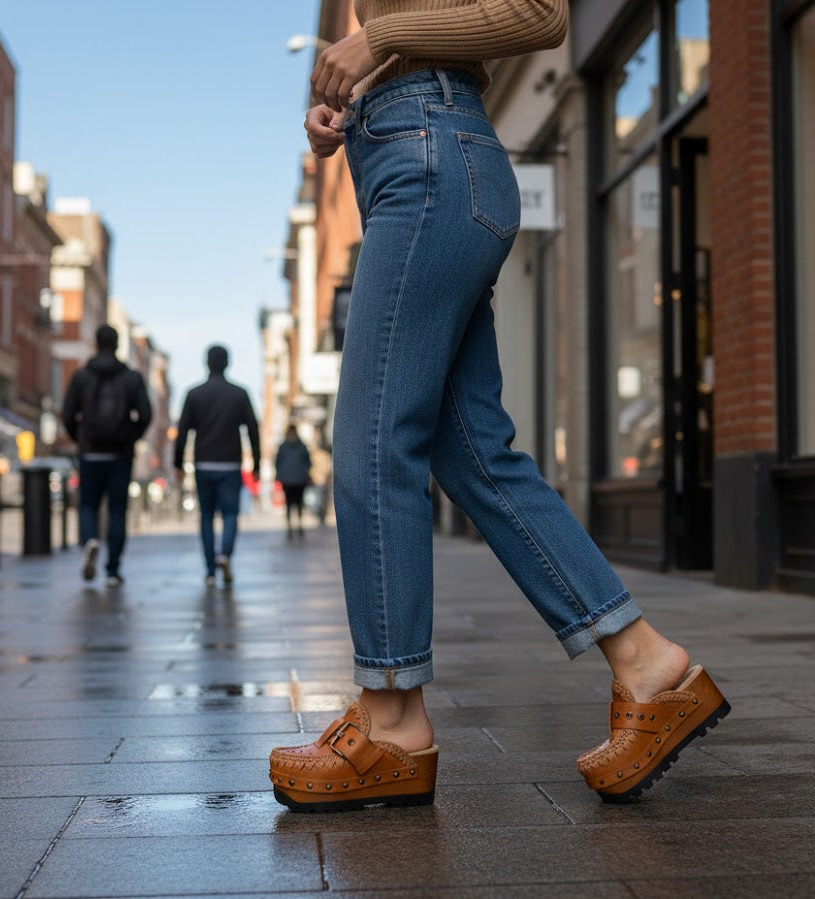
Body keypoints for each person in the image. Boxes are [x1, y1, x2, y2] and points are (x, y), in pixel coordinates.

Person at [269, 0, 729, 812]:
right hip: (408, 152)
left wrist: (376, 41)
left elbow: (539, 13)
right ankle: (646, 662)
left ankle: (390, 715)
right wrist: (350, 99)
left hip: (430, 154)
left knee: (376, 442)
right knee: (472, 450)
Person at [62, 324, 152, 587]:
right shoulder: (132, 377)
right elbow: (146, 415)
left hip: (91, 453)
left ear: (96, 343)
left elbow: (68, 414)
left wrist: (81, 438)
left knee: (88, 505)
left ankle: (90, 540)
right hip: (120, 455)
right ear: (117, 344)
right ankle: (113, 570)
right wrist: (130, 436)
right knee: (117, 511)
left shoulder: (81, 376)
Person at [174, 345, 260, 587]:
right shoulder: (240, 394)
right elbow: (253, 429)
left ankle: (210, 570)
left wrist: (178, 463)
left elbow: (182, 432)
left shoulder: (194, 394)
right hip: (231, 464)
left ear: (207, 363)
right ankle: (226, 555)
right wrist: (257, 463)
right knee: (231, 514)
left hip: (203, 463)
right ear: (227, 363)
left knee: (206, 517)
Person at [275, 424, 312, 538]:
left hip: (287, 480)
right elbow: (308, 463)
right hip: (300, 479)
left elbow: (277, 463)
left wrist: (280, 475)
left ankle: (290, 528)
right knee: (299, 503)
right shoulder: (302, 446)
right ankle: (299, 527)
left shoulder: (282, 447)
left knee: (289, 504)